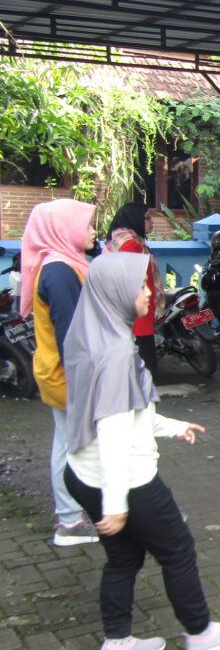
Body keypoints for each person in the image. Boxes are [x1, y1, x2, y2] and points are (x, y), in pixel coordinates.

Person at [62, 252, 220, 650]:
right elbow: (113, 432)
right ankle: (200, 634)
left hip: (82, 472)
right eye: (141, 285)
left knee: (123, 558)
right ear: (116, 291)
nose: (151, 292)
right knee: (178, 549)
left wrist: (172, 426)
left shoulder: (91, 336)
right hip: (124, 480)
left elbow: (123, 410)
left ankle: (117, 643)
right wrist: (116, 503)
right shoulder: (116, 352)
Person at [20, 198, 99, 546]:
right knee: (72, 447)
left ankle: (79, 514)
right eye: (88, 224)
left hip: (63, 372)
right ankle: (70, 521)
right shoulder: (60, 271)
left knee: (70, 443)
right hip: (68, 375)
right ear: (64, 228)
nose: (93, 231)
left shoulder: (65, 264)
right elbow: (71, 335)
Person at [104, 202, 165, 375]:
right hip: (137, 317)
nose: (152, 221)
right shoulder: (131, 245)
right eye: (147, 218)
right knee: (144, 368)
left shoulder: (119, 239)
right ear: (135, 219)